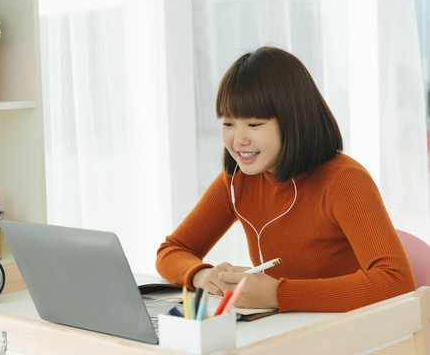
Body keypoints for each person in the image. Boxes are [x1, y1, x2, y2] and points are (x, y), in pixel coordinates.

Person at [155, 46, 416, 312]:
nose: (238, 140)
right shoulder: (237, 181)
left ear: (294, 121)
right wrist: (201, 276)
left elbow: (396, 283)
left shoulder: (343, 181)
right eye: (228, 123)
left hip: (354, 336)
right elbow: (172, 250)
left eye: (254, 125)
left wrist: (277, 294)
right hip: (290, 331)